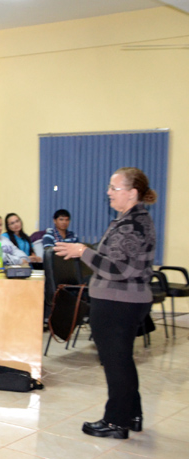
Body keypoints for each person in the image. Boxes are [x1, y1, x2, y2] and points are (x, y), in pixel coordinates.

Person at [55, 167, 156, 439]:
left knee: (115, 361)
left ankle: (116, 421)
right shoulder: (130, 219)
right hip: (121, 300)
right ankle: (132, 414)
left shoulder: (132, 225)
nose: (108, 192)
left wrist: (83, 251)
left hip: (118, 301)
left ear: (132, 193)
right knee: (121, 359)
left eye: (114, 188)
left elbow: (119, 269)